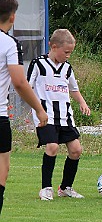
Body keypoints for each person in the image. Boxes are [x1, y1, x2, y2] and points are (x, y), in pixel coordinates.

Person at [0, 0, 48, 222]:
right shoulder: (9, 43)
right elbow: (19, 82)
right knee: (1, 170)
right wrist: (39, 109)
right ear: (13, 16)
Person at [27, 29, 91, 201]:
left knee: (76, 150)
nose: (68, 55)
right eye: (66, 52)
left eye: (71, 52)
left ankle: (65, 187)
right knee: (52, 146)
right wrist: (36, 108)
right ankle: (46, 188)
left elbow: (73, 89)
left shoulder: (67, 68)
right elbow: (26, 86)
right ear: (54, 47)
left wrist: (82, 103)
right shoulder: (38, 64)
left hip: (65, 116)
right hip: (45, 116)